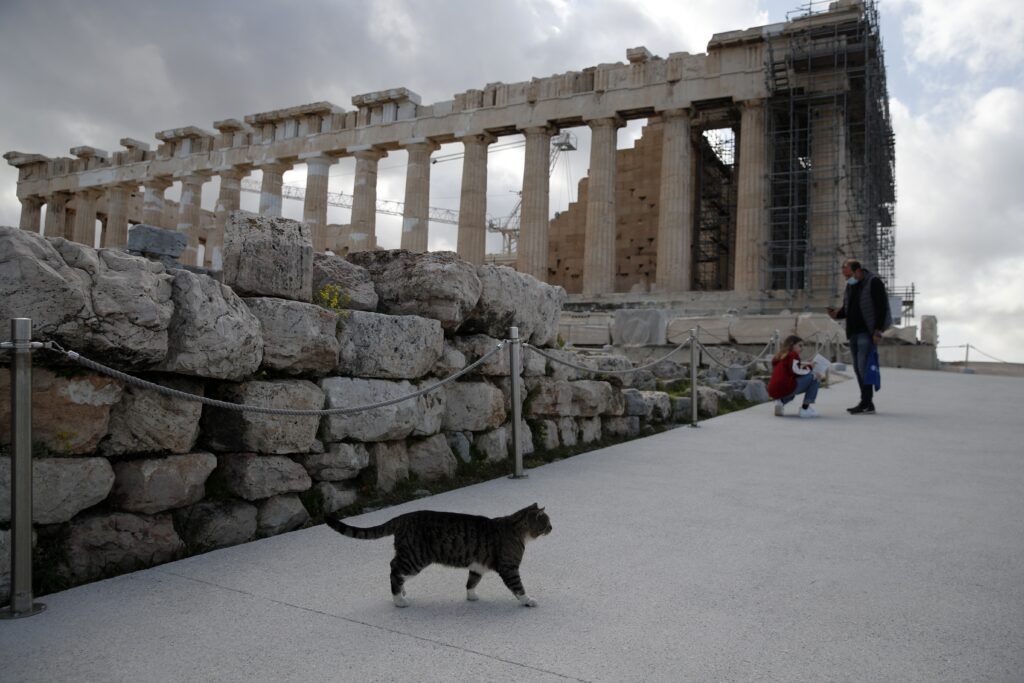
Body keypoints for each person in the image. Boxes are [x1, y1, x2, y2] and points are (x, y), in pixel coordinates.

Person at [827, 258, 892, 414]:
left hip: (867, 332)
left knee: (863, 367)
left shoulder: (874, 282)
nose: (846, 278)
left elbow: (881, 307)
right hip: (853, 332)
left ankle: (866, 402)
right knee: (857, 368)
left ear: (857, 271)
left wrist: (877, 331)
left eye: (848, 275)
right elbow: (848, 308)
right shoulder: (851, 286)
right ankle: (866, 402)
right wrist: (836, 314)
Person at [768, 335, 820, 418]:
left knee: (792, 393)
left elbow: (792, 371)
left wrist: (806, 367)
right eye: (800, 345)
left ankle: (780, 402)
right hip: (786, 386)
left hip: (773, 390)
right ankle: (805, 409)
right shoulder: (793, 355)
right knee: (814, 377)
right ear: (792, 345)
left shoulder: (781, 356)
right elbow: (795, 370)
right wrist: (810, 367)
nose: (802, 348)